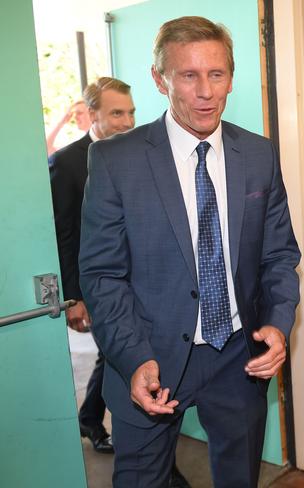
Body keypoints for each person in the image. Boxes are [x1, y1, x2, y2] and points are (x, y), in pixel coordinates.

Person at [78, 16, 300, 488]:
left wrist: (279, 326)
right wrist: (134, 357)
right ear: (160, 80)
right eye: (188, 75)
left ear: (231, 78)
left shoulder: (259, 155)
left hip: (238, 359)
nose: (205, 91)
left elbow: (279, 255)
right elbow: (102, 275)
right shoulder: (116, 160)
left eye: (216, 74)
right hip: (148, 360)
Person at [50, 77, 190, 488]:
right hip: (101, 286)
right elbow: (64, 234)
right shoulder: (67, 163)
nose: (127, 121)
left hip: (143, 282)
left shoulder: (140, 153)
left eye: (130, 112)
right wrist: (74, 296)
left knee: (122, 358)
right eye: (116, 113)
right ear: (90, 115)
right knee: (121, 357)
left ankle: (93, 419)